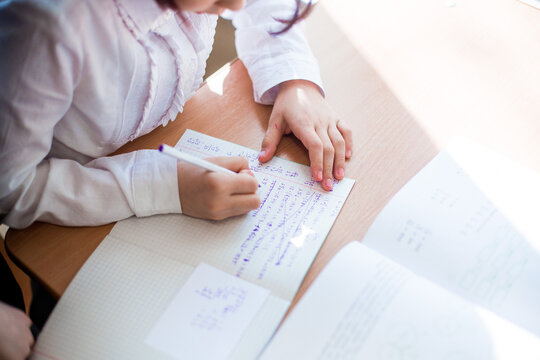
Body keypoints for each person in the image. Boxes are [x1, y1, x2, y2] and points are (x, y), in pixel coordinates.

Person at [0, 0, 353, 226]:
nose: (235, 4)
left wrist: (293, 78)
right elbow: (11, 188)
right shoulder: (48, 27)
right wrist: (165, 188)